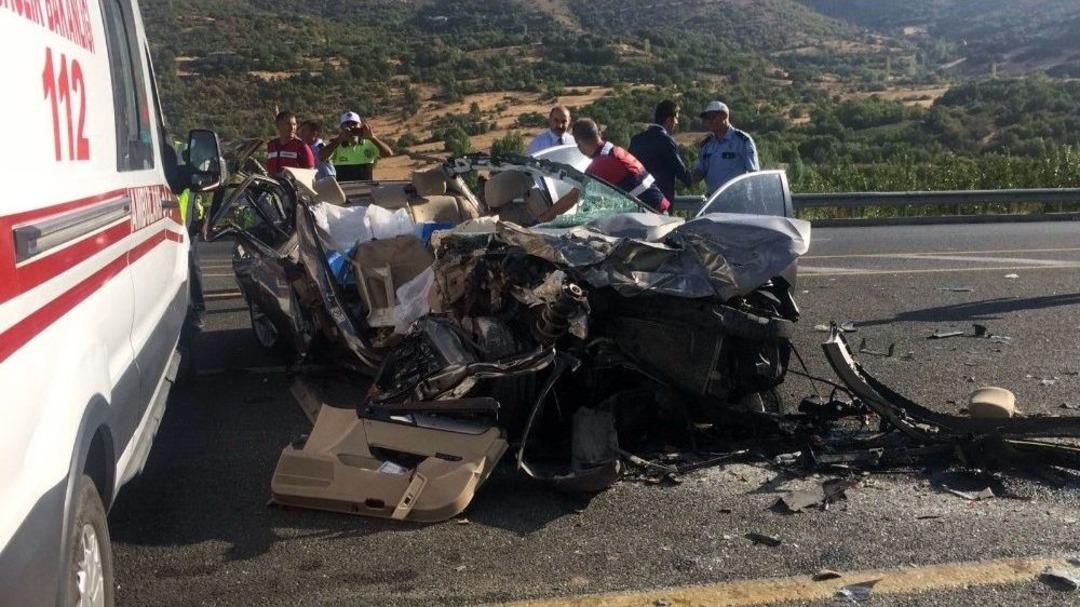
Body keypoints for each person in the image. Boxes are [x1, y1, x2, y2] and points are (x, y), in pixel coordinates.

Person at [539, 118, 670, 221]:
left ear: (579, 143)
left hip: (653, 218)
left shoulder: (601, 164)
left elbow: (572, 198)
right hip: (658, 211)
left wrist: (541, 220)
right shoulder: (613, 150)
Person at [628, 100, 692, 201]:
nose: (676, 123)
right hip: (659, 200)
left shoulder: (636, 140)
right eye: (676, 119)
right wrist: (691, 179)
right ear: (669, 119)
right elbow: (680, 171)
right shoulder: (666, 141)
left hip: (637, 199)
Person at [691, 101, 759, 194]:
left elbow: (754, 174)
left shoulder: (743, 141)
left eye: (712, 117)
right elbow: (699, 172)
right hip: (713, 199)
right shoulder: (706, 144)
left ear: (724, 116)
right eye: (706, 118)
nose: (709, 121)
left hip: (736, 198)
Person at [320, 111, 394, 182]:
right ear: (341, 128)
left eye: (354, 124)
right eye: (347, 124)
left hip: (366, 187)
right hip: (344, 188)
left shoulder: (369, 143)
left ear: (360, 126)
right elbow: (321, 157)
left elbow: (388, 154)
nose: (351, 127)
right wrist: (338, 140)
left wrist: (373, 138)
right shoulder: (336, 144)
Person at [266, 111, 315, 176]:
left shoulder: (301, 146)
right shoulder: (271, 145)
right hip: (272, 182)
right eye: (288, 124)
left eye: (294, 124)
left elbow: (310, 173)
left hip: (292, 182)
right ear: (278, 126)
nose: (292, 128)